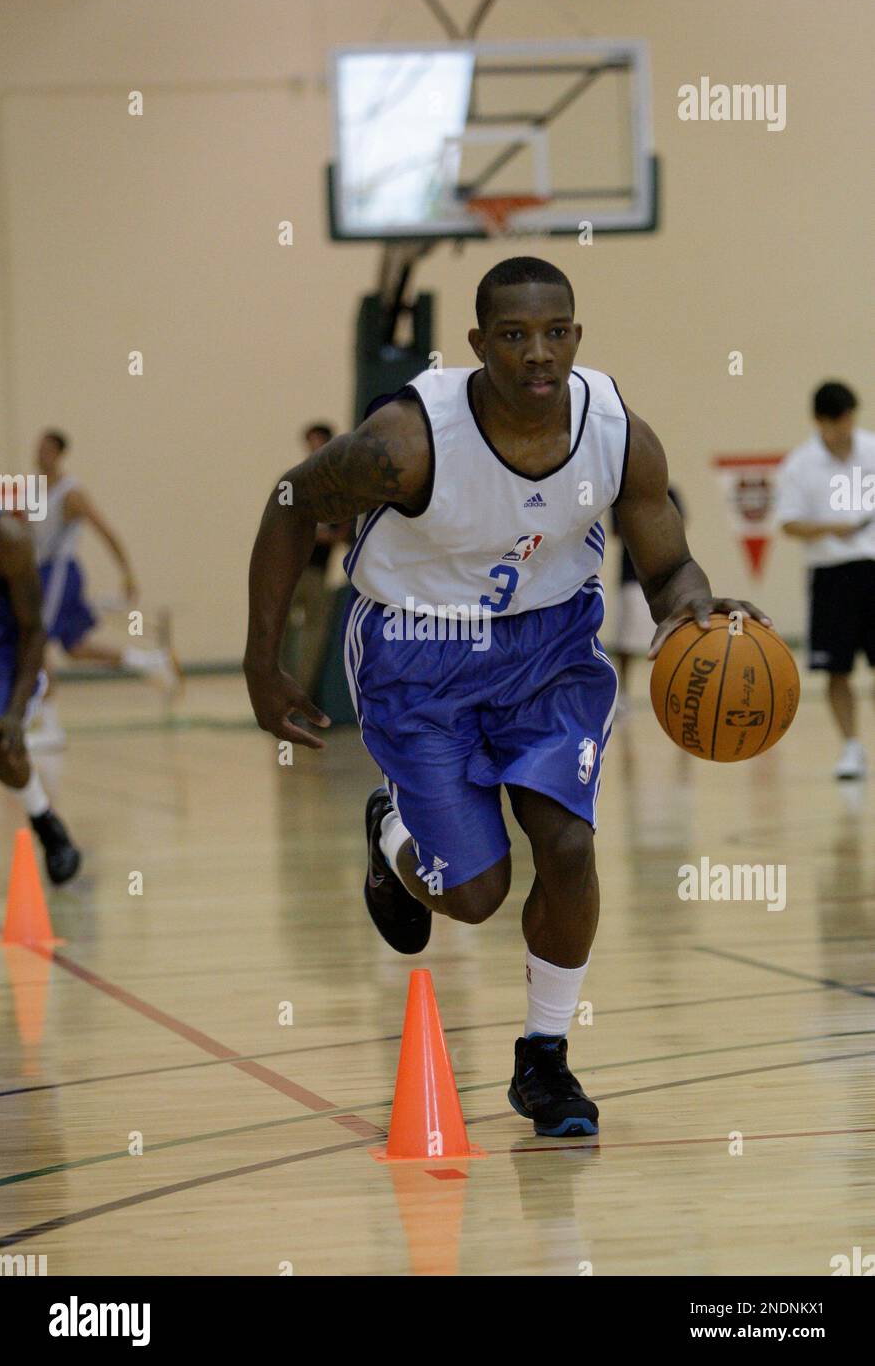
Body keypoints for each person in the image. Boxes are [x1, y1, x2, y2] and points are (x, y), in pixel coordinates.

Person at [244, 256, 768, 1138]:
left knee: (567, 849)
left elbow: (668, 564)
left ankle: (546, 1061)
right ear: (478, 345)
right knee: (479, 893)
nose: (539, 354)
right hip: (420, 651)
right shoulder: (407, 442)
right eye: (516, 336)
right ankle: (392, 830)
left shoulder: (616, 432)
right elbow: (292, 500)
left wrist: (695, 615)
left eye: (556, 333)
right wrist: (262, 662)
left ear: (576, 337)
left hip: (551, 649)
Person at [28, 430, 180, 749]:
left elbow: (104, 529)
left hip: (60, 571)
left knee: (35, 641)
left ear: (58, 453)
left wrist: (127, 573)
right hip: (42, 571)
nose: (39, 454)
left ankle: (51, 726)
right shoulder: (34, 490)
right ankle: (152, 661)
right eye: (37, 448)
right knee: (75, 648)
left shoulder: (71, 493)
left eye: (45, 449)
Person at [775, 382, 875, 780]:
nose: (846, 428)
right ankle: (851, 747)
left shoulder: (871, 449)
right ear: (819, 421)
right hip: (832, 576)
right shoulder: (800, 465)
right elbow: (789, 523)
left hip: (874, 568)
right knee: (837, 669)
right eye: (838, 421)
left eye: (851, 418)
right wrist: (833, 528)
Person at [0, 515, 80, 882]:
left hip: (6, 653)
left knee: (4, 747)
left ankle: (48, 826)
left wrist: (15, 712)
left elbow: (34, 631)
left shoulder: (9, 541)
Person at [284, 423, 351, 698]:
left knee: (314, 639)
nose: (315, 448)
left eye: (320, 442)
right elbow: (287, 525)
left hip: (317, 572)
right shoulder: (296, 482)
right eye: (311, 442)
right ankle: (282, 691)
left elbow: (343, 527)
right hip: (291, 570)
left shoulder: (338, 485)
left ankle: (301, 696)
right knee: (279, 634)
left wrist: (325, 535)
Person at [611, 485, 685, 708]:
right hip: (632, 575)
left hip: (666, 575)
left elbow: (678, 526)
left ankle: (675, 692)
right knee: (626, 640)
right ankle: (622, 695)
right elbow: (616, 531)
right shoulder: (619, 497)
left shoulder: (669, 493)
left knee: (671, 639)